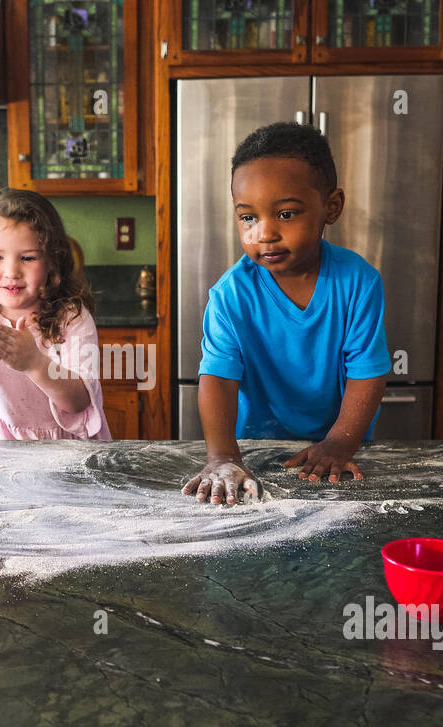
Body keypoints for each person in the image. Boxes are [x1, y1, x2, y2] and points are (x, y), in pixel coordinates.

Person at [183, 122, 391, 505]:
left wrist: (340, 444)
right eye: (248, 217)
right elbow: (218, 379)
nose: (264, 233)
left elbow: (368, 375)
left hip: (339, 452)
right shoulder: (230, 296)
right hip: (254, 453)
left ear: (332, 206)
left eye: (286, 214)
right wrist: (224, 458)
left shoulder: (358, 282)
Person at [0, 188, 112, 441]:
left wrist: (34, 363)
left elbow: (79, 401)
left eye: (28, 258)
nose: (12, 271)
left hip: (68, 452)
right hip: (1, 450)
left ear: (53, 260)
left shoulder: (72, 319)